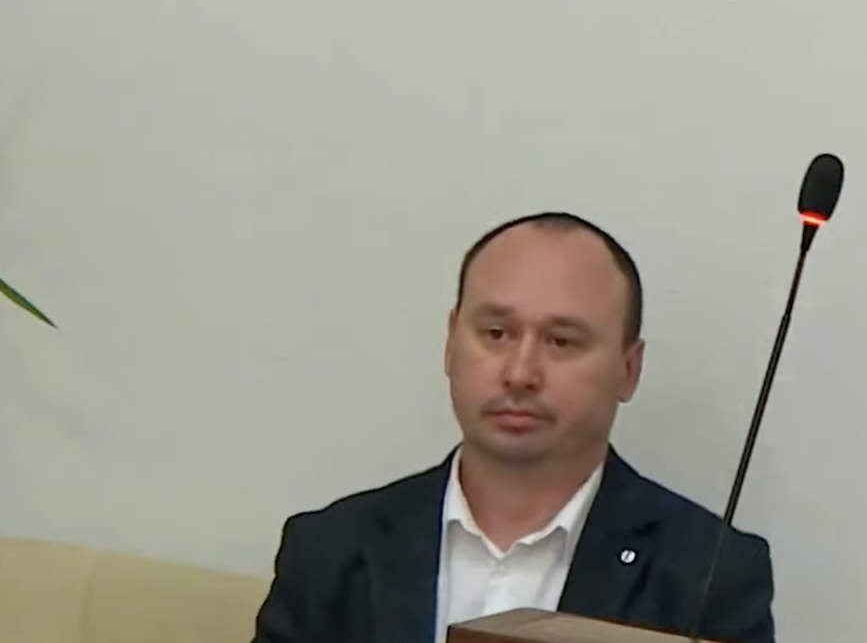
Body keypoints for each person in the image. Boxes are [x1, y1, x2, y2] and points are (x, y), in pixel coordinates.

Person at [251, 212, 775, 643]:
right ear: (451, 342)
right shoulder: (330, 550)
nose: (520, 373)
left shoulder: (708, 573)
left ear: (628, 369)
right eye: (496, 333)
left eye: (561, 341)